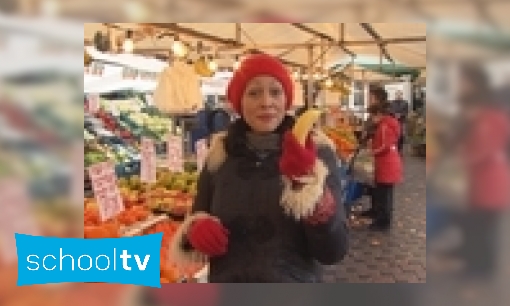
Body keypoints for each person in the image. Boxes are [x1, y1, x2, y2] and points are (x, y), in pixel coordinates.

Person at [169, 54, 349, 283]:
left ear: (286, 99)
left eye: (275, 92)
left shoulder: (316, 152)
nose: (266, 102)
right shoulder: (219, 155)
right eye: (254, 93)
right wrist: (194, 232)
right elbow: (197, 215)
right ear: (239, 101)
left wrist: (312, 194)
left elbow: (333, 251)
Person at [364, 102, 403, 231]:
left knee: (384, 195)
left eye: (372, 116)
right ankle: (382, 219)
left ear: (379, 114)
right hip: (388, 163)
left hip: (386, 163)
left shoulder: (385, 125)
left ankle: (383, 222)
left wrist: (372, 151)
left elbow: (385, 145)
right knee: (385, 193)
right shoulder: (388, 123)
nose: (372, 119)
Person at [390, 90, 409, 156]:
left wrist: (401, 115)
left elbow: (406, 112)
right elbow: (390, 111)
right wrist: (394, 114)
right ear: (395, 95)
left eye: (399, 94)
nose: (398, 96)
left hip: (401, 121)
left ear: (401, 95)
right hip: (393, 121)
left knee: (401, 135)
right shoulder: (392, 103)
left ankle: (400, 149)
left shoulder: (405, 103)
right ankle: (394, 149)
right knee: (394, 135)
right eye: (397, 94)